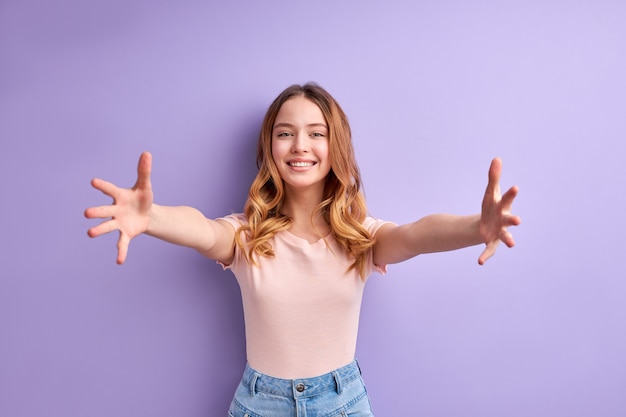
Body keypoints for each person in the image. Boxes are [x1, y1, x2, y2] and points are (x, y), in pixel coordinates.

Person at [85, 83, 520, 416]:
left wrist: (474, 228)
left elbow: (414, 236)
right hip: (261, 405)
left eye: (317, 133)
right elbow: (200, 229)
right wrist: (153, 217)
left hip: (342, 402)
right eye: (285, 134)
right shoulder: (246, 237)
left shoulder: (359, 237)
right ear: (269, 149)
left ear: (336, 148)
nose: (300, 146)